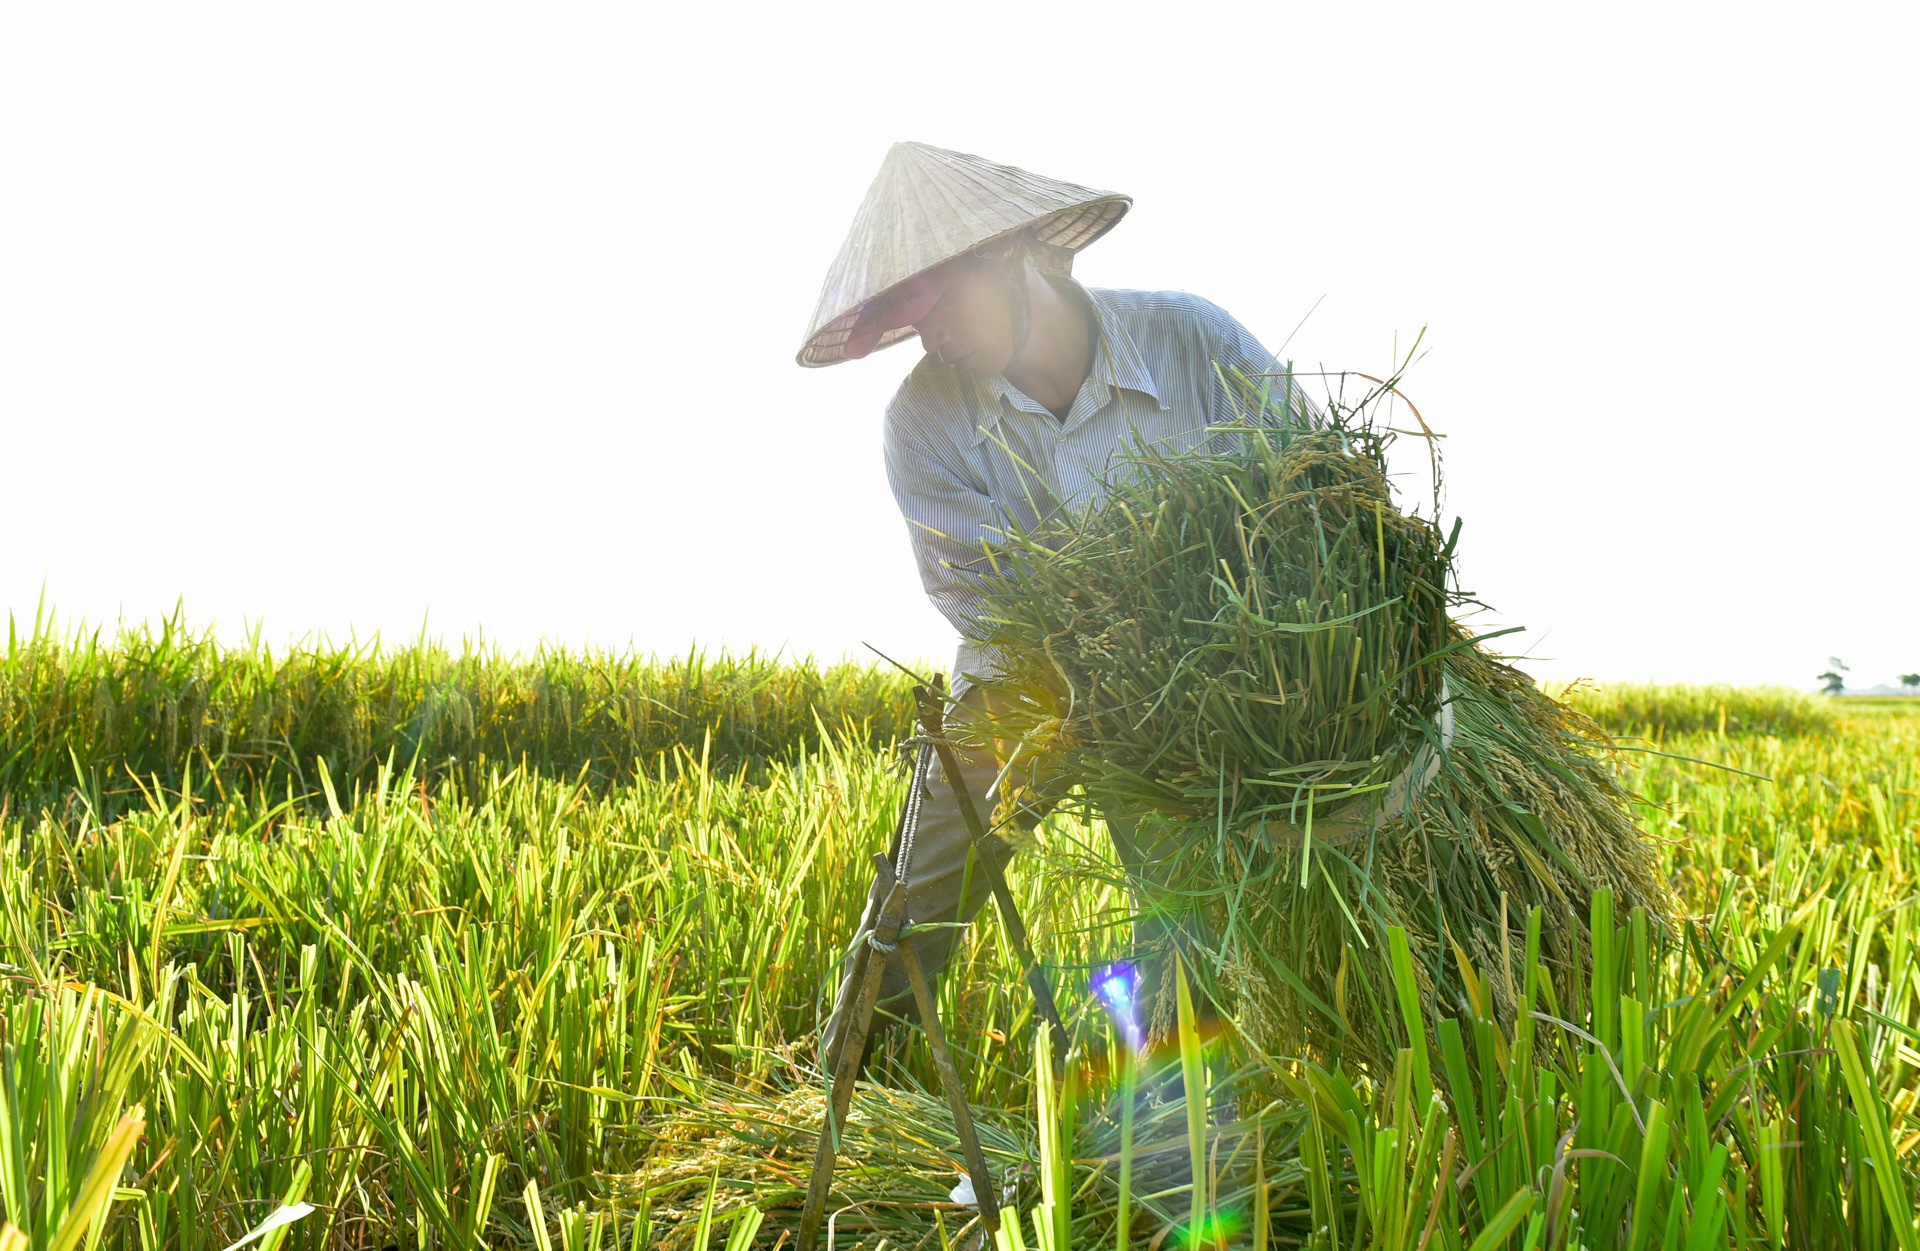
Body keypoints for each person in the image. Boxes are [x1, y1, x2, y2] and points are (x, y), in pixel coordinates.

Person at [797, 142, 1315, 1064]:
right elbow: (980, 596)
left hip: (1210, 688)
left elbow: (1309, 493)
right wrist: (1110, 656)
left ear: (1008, 252)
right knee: (921, 893)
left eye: (940, 304)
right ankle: (841, 1090)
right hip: (1025, 693)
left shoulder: (1192, 340)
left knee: (1193, 900)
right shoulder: (923, 422)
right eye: (910, 323)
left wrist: (1210, 668)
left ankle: (1183, 1115)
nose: (933, 340)